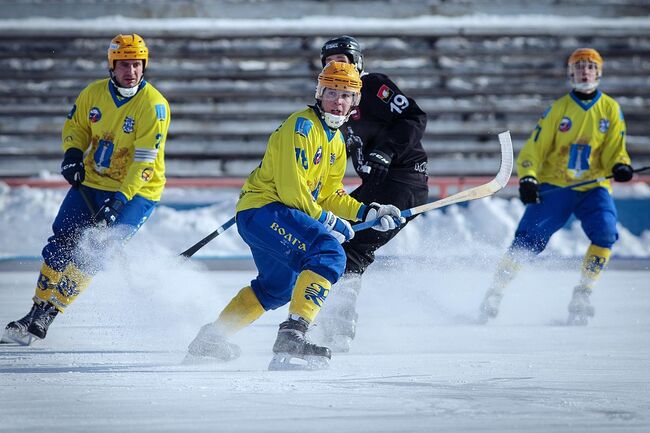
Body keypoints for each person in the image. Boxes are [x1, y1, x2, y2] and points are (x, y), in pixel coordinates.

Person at [185, 61, 404, 370]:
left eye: (345, 95)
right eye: (332, 93)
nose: (338, 101)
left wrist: (368, 210)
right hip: (265, 210)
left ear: (354, 102)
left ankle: (211, 339)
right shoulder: (301, 127)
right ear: (320, 93)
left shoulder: (337, 141)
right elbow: (292, 191)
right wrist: (330, 223)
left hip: (271, 215)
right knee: (329, 253)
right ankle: (292, 336)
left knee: (276, 288)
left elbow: (330, 195)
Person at [2, 34, 170, 345]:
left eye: (136, 64)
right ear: (112, 66)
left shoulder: (154, 106)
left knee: (94, 251)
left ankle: (50, 313)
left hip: (137, 191)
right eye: (124, 65)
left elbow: (145, 163)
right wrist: (73, 154)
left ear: (144, 66)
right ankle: (35, 310)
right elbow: (76, 127)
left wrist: (119, 202)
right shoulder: (93, 94)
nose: (131, 71)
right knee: (61, 240)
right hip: (92, 181)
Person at [478, 48, 634, 326]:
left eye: (590, 66)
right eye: (579, 66)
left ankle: (584, 292)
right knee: (527, 240)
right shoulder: (559, 109)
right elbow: (535, 149)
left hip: (594, 186)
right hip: (556, 185)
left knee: (606, 234)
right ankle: (496, 292)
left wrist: (621, 165)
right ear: (570, 73)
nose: (585, 71)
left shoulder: (610, 109)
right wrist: (528, 177)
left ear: (599, 72)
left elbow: (616, 149)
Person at [313, 36, 429, 352]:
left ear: (358, 64)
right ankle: (325, 313)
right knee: (328, 238)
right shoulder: (334, 102)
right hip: (374, 185)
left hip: (403, 180)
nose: (339, 67)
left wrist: (387, 152)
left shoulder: (373, 87)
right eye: (331, 62)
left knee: (352, 249)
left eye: (344, 60)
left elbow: (415, 117)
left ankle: (340, 324)